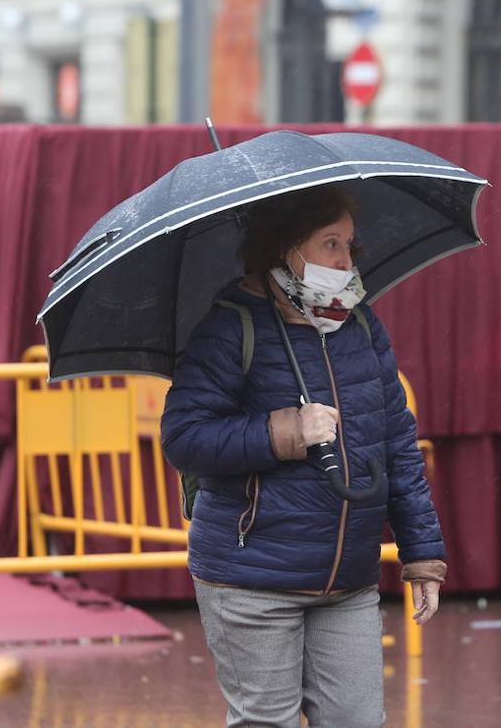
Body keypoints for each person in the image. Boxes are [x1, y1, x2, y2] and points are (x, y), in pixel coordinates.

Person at [160, 184, 447, 728]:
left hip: (347, 580)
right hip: (250, 578)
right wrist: (284, 431)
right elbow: (184, 438)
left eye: (348, 245)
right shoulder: (231, 326)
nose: (345, 261)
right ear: (285, 250)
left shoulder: (361, 326)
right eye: (330, 244)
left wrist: (422, 553)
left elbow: (396, 443)